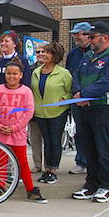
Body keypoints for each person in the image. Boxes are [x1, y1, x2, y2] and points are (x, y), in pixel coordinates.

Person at [71, 21, 109, 203]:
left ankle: (105, 186)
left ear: (104, 37)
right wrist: (78, 94)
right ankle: (91, 184)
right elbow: (76, 75)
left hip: (104, 108)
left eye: (92, 37)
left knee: (103, 148)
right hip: (85, 108)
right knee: (89, 148)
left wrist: (85, 94)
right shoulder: (88, 56)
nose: (89, 40)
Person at [0, 58, 47, 203]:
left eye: (15, 74)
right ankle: (0, 188)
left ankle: (31, 189)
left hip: (18, 133)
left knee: (22, 161)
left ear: (21, 75)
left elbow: (28, 112)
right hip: (0, 131)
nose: (11, 76)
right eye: (8, 73)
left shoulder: (26, 91)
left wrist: (14, 128)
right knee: (1, 160)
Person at [32, 42, 72, 184]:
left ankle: (52, 170)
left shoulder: (64, 74)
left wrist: (64, 99)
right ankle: (46, 170)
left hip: (57, 113)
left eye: (47, 53)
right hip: (40, 113)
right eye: (41, 52)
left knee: (55, 141)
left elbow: (70, 92)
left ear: (54, 56)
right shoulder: (36, 72)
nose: (43, 55)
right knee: (46, 141)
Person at [65, 21, 92, 175]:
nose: (75, 37)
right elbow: (71, 74)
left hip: (93, 98)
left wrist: (87, 94)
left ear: (88, 35)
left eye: (78, 34)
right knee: (80, 131)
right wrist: (77, 93)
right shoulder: (73, 54)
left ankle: (94, 162)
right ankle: (81, 161)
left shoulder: (95, 52)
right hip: (76, 97)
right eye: (74, 34)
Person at [28, 42, 47, 174]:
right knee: (35, 138)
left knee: (48, 139)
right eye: (38, 52)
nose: (40, 54)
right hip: (34, 110)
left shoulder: (55, 69)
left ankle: (48, 165)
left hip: (50, 111)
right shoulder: (30, 70)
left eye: (43, 52)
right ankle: (37, 164)